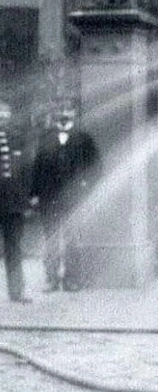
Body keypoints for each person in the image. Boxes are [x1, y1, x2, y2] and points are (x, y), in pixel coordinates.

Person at [31, 104, 100, 292]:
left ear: (74, 114)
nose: (64, 115)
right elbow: (37, 167)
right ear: (55, 115)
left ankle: (71, 279)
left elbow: (95, 165)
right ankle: (51, 279)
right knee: (50, 240)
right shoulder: (46, 138)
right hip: (49, 198)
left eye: (68, 111)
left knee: (72, 239)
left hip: (73, 198)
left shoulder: (83, 138)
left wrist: (86, 185)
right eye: (60, 111)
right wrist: (34, 194)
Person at [0, 100, 31, 302]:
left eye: (5, 113)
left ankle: (17, 292)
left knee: (14, 249)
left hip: (12, 204)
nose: (2, 117)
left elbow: (26, 172)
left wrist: (25, 200)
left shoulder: (18, 139)